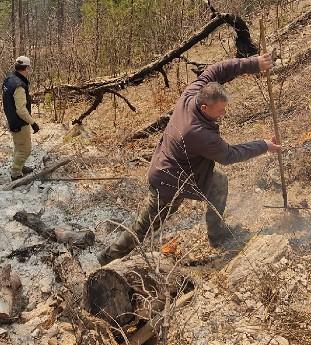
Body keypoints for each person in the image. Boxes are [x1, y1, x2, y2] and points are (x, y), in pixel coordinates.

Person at [96, 53, 283, 265]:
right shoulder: (197, 133)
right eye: (220, 110)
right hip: (168, 181)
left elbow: (218, 69)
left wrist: (254, 64)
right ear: (204, 108)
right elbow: (229, 155)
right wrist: (264, 145)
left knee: (218, 182)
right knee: (146, 226)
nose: (223, 113)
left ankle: (217, 234)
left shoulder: (193, 93)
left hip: (182, 170)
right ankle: (107, 258)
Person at [2, 56, 39, 178]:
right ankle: (16, 173)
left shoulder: (9, 79)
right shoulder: (19, 85)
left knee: (19, 146)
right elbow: (21, 110)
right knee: (25, 149)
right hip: (19, 122)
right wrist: (33, 123)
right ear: (26, 68)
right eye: (28, 68)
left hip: (12, 119)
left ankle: (20, 166)